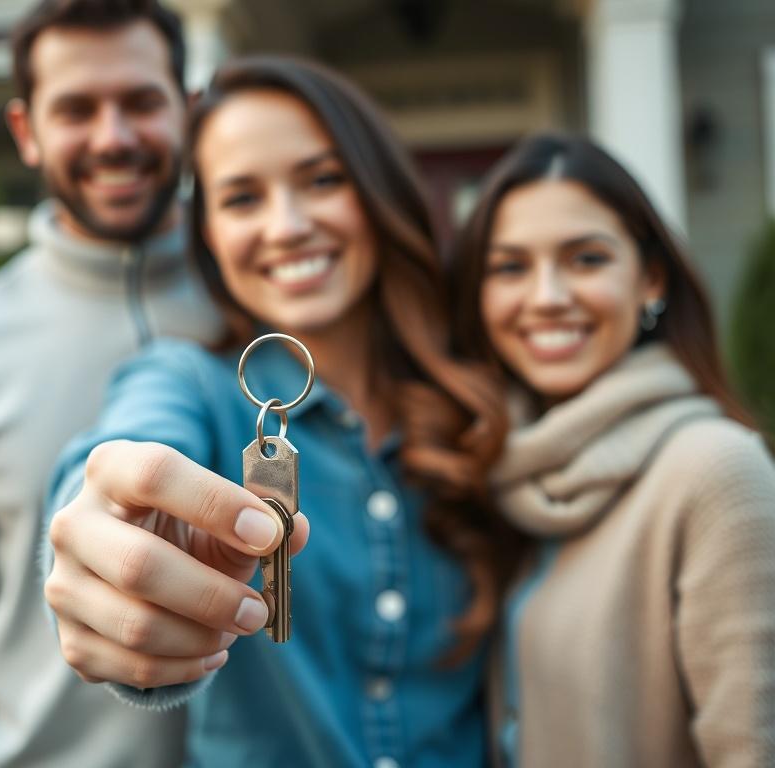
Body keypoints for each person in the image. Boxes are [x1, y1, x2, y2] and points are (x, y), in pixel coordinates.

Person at [42, 55, 521, 767]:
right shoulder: (186, 382)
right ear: (206, 235)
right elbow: (114, 462)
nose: (288, 225)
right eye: (241, 199)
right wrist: (102, 538)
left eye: (322, 180)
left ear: (378, 190)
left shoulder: (478, 396)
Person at [0, 1, 222, 765]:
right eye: (77, 109)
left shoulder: (271, 311)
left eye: (141, 102)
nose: (113, 137)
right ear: (27, 132)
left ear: (189, 112)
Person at [449, 133, 775, 767]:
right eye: (510, 267)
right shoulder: (503, 476)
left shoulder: (715, 473)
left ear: (650, 279)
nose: (546, 296)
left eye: (586, 259)